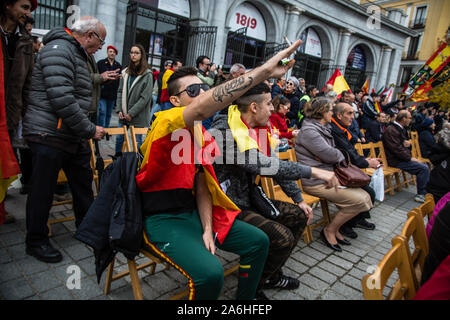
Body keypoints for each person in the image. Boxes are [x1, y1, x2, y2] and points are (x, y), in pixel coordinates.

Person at [136, 39, 304, 300]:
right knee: (212, 273)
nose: (201, 93)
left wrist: (206, 227)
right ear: (174, 100)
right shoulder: (165, 122)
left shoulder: (201, 132)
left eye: (203, 87)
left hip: (198, 211)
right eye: (193, 90)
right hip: (164, 219)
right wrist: (262, 71)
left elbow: (202, 184)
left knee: (259, 241)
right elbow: (206, 106)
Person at [211, 82, 340, 298]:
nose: (273, 108)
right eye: (269, 103)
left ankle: (267, 276)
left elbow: (274, 165)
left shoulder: (256, 130)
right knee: (282, 237)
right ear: (253, 106)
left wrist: (298, 198)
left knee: (299, 215)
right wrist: (314, 172)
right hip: (225, 206)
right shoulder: (224, 131)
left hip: (247, 199)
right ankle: (252, 288)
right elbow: (260, 164)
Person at [22, 16, 107, 262]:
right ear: (89, 35)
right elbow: (62, 99)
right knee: (42, 190)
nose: (101, 47)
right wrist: (90, 129)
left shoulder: (79, 53)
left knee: (82, 184)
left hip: (69, 133)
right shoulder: (59, 49)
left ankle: (87, 229)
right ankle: (35, 241)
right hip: (49, 132)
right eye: (100, 41)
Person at [295, 97, 373, 251]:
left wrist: (332, 155)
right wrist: (333, 155)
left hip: (328, 177)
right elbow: (331, 155)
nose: (332, 113)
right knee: (360, 201)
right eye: (331, 110)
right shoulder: (310, 131)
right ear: (322, 112)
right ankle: (329, 230)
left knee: (366, 197)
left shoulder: (322, 128)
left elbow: (331, 154)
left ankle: (335, 229)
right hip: (315, 181)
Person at [0, 0, 37, 225]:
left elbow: (28, 83)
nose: (27, 13)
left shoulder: (24, 42)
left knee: (4, 164)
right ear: (6, 6)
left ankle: (1, 208)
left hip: (11, 115)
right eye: (24, 7)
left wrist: (24, 115)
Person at [330, 102, 380, 238]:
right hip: (332, 173)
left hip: (341, 167)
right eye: (349, 113)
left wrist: (365, 161)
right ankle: (347, 225)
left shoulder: (341, 128)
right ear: (339, 115)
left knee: (367, 188)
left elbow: (350, 151)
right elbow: (347, 151)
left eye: (353, 113)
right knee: (367, 192)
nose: (353, 117)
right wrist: (366, 163)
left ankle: (357, 219)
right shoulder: (334, 129)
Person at [382, 110, 430, 203]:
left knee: (423, 166)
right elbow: (396, 149)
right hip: (396, 160)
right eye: (409, 118)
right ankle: (421, 194)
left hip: (401, 158)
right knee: (423, 168)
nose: (410, 120)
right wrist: (410, 158)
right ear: (404, 119)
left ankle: (424, 191)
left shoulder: (399, 128)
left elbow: (403, 145)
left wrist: (408, 145)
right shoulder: (391, 130)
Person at [115, 44, 153, 153]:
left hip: (138, 116)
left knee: (137, 142)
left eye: (136, 53)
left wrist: (131, 113)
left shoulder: (147, 74)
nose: (133, 55)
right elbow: (120, 91)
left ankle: (138, 165)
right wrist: (119, 110)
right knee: (119, 139)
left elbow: (145, 98)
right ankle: (117, 162)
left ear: (142, 55)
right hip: (123, 114)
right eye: (131, 52)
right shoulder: (125, 72)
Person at [97, 45, 122, 128]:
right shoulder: (101, 63)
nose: (112, 53)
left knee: (108, 113)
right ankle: (101, 128)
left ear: (115, 54)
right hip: (103, 93)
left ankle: (107, 130)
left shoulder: (118, 65)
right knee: (102, 112)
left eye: (113, 52)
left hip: (112, 94)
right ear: (107, 52)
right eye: (110, 51)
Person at [426, 126, 450, 204]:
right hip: (439, 192)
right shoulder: (425, 133)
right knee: (422, 168)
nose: (434, 125)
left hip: (437, 186)